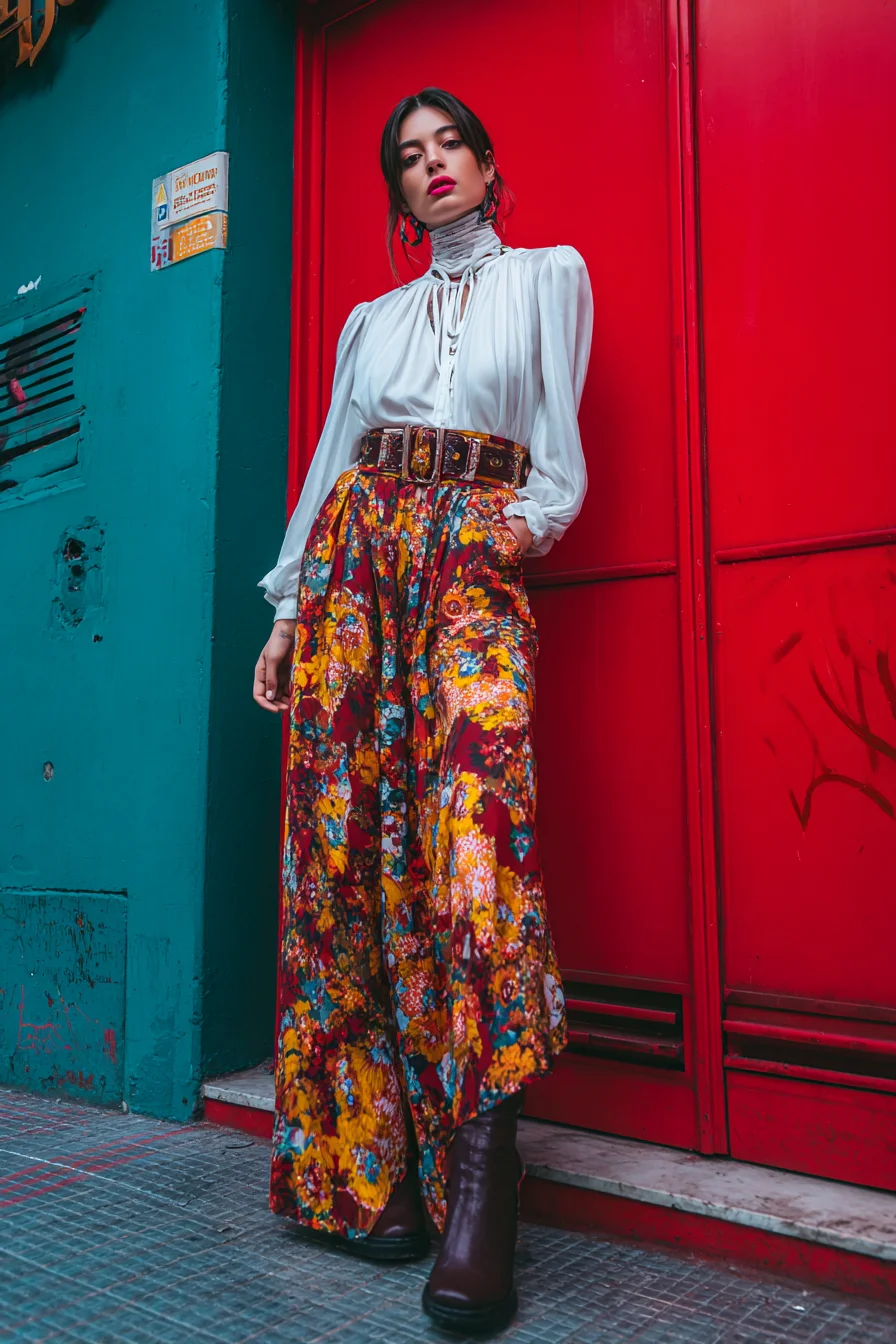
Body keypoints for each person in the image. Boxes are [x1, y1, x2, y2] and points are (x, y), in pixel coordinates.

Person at [253, 87, 593, 1335]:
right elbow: (335, 455)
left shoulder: (549, 277)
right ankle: (367, 1173)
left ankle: (481, 1174)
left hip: (466, 567)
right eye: (407, 155)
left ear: (489, 164)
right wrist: (289, 608)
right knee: (345, 856)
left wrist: (510, 534)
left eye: (450, 144)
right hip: (354, 570)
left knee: (471, 849)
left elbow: (554, 454)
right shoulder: (370, 321)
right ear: (395, 190)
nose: (431, 165)